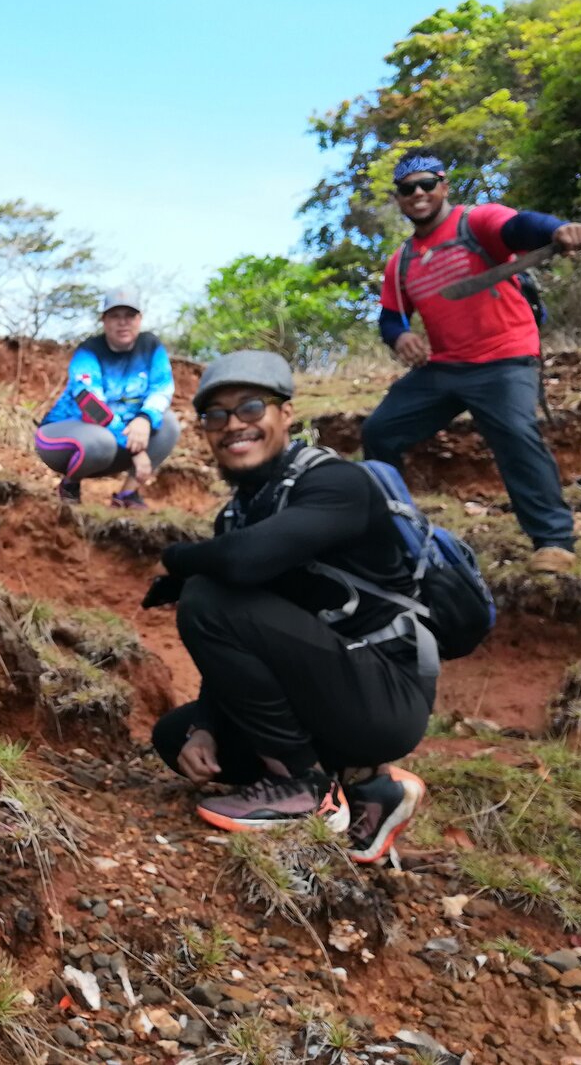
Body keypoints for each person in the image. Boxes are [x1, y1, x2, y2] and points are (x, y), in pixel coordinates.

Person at [145, 350, 431, 864]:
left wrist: (178, 559)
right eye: (216, 416)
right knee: (176, 735)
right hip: (327, 687)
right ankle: (372, 792)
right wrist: (205, 725)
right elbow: (239, 645)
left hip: (384, 695)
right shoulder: (239, 514)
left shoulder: (337, 484)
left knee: (207, 596)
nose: (234, 425)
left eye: (251, 408)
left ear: (286, 414)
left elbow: (243, 563)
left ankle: (304, 788)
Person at [363, 148, 581, 574]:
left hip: (505, 357)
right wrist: (402, 337)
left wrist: (559, 230)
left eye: (427, 184)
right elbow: (390, 318)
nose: (419, 194)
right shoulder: (401, 261)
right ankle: (391, 532)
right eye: (408, 189)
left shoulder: (476, 222)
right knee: (380, 432)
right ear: (399, 199)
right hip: (444, 367)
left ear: (444, 186)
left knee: (515, 432)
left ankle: (554, 541)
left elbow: (522, 227)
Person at [35, 286, 178, 509]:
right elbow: (91, 406)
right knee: (102, 441)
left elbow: (161, 388)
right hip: (64, 436)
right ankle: (70, 485)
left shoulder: (151, 347)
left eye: (129, 316)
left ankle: (127, 495)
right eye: (115, 316)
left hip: (117, 438)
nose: (123, 322)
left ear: (139, 319)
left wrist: (145, 418)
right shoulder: (88, 352)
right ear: (104, 320)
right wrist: (137, 449)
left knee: (168, 422)